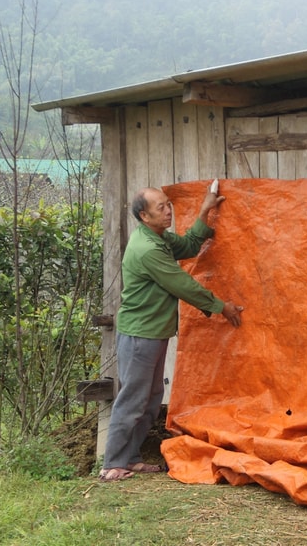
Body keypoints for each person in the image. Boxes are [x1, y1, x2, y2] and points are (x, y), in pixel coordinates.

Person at [99, 185, 243, 482]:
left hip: (153, 332)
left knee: (151, 397)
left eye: (168, 205)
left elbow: (190, 245)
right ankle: (112, 462)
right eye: (161, 208)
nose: (169, 211)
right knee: (133, 398)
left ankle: (131, 457)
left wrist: (205, 210)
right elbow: (182, 285)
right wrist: (221, 307)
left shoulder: (158, 238)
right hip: (140, 334)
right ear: (144, 215)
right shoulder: (148, 249)